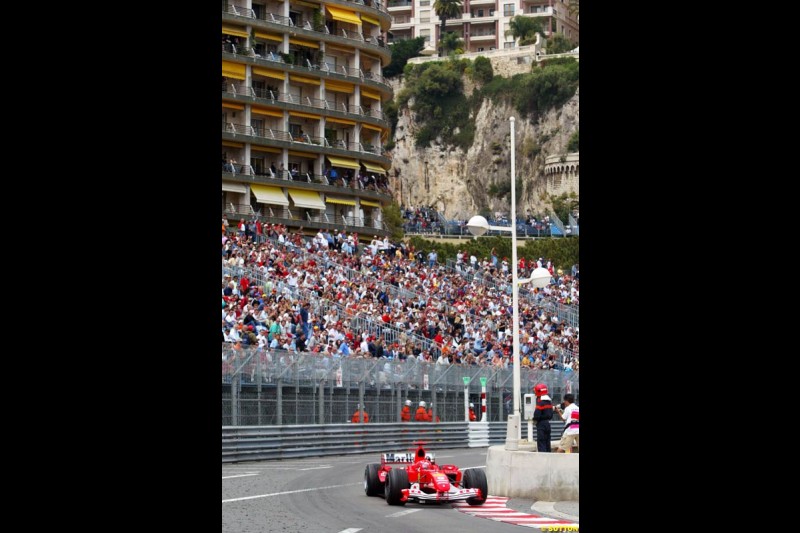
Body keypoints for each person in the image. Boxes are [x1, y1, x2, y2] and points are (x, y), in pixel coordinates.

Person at [532, 383, 554, 452]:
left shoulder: (540, 403)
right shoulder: (549, 402)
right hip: (547, 424)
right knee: (547, 442)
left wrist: (534, 420)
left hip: (541, 425)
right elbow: (550, 415)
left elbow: (536, 415)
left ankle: (542, 459)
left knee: (541, 442)